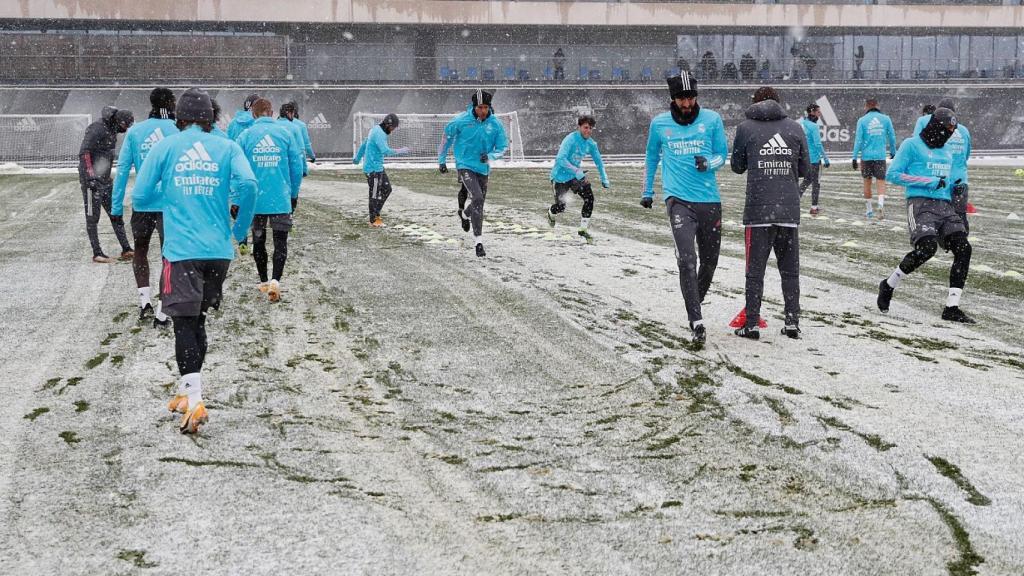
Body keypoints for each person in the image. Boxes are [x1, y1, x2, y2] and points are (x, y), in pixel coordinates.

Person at [132, 88, 257, 434]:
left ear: (178, 119)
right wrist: (241, 227)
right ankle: (189, 391)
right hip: (218, 251)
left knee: (184, 323)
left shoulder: (166, 146)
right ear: (210, 119)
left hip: (183, 251)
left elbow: (141, 196)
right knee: (198, 319)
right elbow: (248, 183)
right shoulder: (228, 147)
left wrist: (174, 195)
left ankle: (195, 398)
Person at [640, 73, 728, 347]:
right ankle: (697, 321)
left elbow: (722, 155)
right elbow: (652, 156)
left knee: (709, 262)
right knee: (686, 260)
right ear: (673, 99)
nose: (687, 103)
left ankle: (693, 301)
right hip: (677, 200)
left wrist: (709, 164)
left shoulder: (712, 120)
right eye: (682, 98)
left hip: (709, 201)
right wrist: (647, 191)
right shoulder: (659, 124)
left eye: (691, 98)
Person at [877, 108, 974, 324]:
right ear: (936, 125)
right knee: (927, 249)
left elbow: (944, 180)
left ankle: (952, 307)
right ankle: (889, 284)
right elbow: (893, 174)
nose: (950, 133)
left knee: (963, 248)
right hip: (920, 205)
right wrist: (927, 182)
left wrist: (953, 188)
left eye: (953, 129)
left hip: (945, 205)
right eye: (947, 128)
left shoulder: (947, 150)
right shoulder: (911, 145)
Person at [730, 86, 809, 340]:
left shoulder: (745, 128)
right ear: (778, 102)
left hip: (758, 210)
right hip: (788, 209)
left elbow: (737, 166)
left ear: (754, 103)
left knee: (755, 272)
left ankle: (752, 322)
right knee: (790, 270)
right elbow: (806, 168)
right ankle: (792, 321)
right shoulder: (796, 128)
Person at [112, 87, 176, 326]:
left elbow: (122, 171)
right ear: (170, 103)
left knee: (140, 250)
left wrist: (116, 207)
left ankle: (145, 301)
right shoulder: (176, 129)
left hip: (143, 201)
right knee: (168, 255)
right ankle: (162, 311)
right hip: (169, 203)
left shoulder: (135, 131)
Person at [235, 98, 303, 303]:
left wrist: (238, 198)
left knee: (259, 241)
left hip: (255, 200)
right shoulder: (285, 134)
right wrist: (294, 193)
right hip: (280, 197)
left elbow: (237, 170)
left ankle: (264, 281)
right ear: (272, 113)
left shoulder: (245, 136)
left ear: (253, 115)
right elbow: (296, 167)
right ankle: (276, 281)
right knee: (280, 242)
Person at [437, 89, 508, 257]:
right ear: (474, 107)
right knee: (477, 198)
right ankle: (478, 242)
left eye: (485, 107)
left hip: (482, 168)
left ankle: (465, 213)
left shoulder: (496, 124)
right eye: (479, 107)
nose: (482, 111)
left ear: (489, 107)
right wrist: (441, 160)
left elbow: (503, 147)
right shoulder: (461, 121)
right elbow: (446, 138)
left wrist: (490, 156)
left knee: (479, 201)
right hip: (464, 165)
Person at [79, 105, 135, 263]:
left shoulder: (112, 129)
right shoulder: (96, 128)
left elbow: (103, 156)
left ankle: (126, 249)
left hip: (104, 180)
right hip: (91, 182)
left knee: (115, 213)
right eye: (125, 125)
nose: (125, 129)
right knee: (92, 217)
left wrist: (105, 176)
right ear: (118, 121)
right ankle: (97, 253)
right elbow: (85, 152)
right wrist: (91, 177)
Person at [547, 114, 610, 243]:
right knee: (561, 207)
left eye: (591, 128)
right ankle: (551, 213)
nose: (588, 131)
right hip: (559, 177)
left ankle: (583, 230)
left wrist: (604, 178)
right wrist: (576, 171)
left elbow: (599, 161)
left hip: (575, 177)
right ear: (579, 127)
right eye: (586, 127)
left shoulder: (591, 144)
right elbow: (560, 159)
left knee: (589, 198)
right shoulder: (570, 139)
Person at [913, 98, 972, 234]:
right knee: (960, 214)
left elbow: (919, 145)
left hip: (941, 178)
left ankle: (934, 239)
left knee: (936, 214)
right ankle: (962, 242)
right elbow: (966, 155)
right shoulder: (964, 130)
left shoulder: (934, 128)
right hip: (960, 180)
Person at [353, 113, 410, 226]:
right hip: (372, 169)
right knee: (374, 194)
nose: (393, 130)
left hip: (378, 167)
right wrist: (400, 150)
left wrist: (357, 158)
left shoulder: (375, 129)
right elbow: (385, 150)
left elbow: (364, 144)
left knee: (387, 189)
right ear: (388, 124)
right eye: (393, 127)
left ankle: (376, 213)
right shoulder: (379, 133)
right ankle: (373, 220)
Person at [851, 98, 897, 220]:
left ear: (866, 107)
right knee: (881, 181)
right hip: (880, 156)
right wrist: (893, 152)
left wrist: (854, 157)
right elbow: (892, 137)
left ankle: (869, 210)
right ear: (877, 106)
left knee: (867, 182)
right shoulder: (886, 119)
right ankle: (881, 205)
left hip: (866, 157)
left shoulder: (862, 120)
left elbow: (858, 140)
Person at [799, 103, 830, 215]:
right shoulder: (813, 126)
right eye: (818, 112)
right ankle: (814, 207)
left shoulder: (801, 124)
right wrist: (825, 158)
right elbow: (817, 144)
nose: (819, 114)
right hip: (814, 160)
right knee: (816, 183)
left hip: (804, 159)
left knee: (806, 181)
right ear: (812, 112)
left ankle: (794, 201)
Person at [277, 101, 309, 178]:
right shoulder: (295, 128)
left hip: (276, 166)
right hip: (290, 164)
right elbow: (301, 150)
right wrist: (304, 169)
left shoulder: (273, 125)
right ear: (288, 113)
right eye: (292, 113)